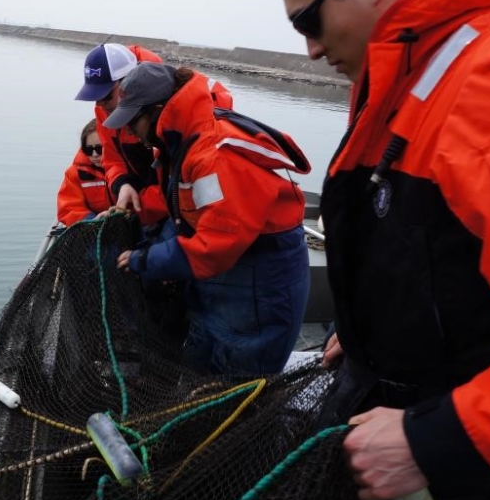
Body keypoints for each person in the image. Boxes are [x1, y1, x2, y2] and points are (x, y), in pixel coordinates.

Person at [266, 0, 490, 500]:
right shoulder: (404, 81)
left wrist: (435, 439)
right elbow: (431, 252)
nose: (309, 50)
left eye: (310, 20)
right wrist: (364, 334)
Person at [108, 62, 311, 375]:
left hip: (260, 283)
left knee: (236, 382)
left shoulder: (214, 156)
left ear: (159, 110)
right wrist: (152, 245)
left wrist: (146, 259)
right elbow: (187, 220)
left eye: (133, 121)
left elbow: (218, 244)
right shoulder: (180, 146)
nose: (130, 133)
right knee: (198, 367)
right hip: (221, 282)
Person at [74, 43, 234, 228]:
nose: (100, 104)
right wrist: (123, 185)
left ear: (129, 81)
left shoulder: (190, 113)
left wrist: (137, 209)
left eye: (107, 95)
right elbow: (112, 160)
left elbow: (183, 185)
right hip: (147, 206)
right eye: (96, 96)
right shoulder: (105, 109)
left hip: (180, 211)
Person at [56, 119, 113, 225]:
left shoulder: (131, 167)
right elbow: (68, 209)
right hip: (93, 228)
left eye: (99, 148)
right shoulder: (74, 174)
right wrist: (93, 220)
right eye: (88, 150)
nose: (95, 154)